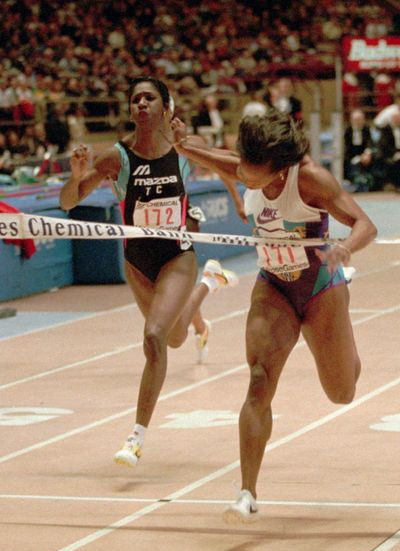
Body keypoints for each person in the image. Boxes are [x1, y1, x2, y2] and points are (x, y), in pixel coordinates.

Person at [171, 108, 377, 523]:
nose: (241, 174)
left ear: (280, 171)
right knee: (259, 378)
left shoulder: (311, 179)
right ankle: (247, 490)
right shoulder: (250, 164)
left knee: (342, 392)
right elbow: (212, 157)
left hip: (321, 289)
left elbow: (364, 224)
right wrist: (181, 143)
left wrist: (345, 249)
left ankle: (346, 319)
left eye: (251, 170)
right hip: (274, 286)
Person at [60, 77, 239, 467]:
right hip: (137, 262)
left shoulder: (185, 149)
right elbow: (69, 202)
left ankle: (136, 437)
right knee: (173, 339)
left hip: (178, 255)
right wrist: (76, 177)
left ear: (165, 107)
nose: (141, 103)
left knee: (155, 336)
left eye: (149, 97)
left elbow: (231, 168)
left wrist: (240, 204)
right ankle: (209, 284)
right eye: (135, 99)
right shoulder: (117, 157)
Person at [343, 109, 377, 192]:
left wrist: (367, 154)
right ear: (351, 120)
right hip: (351, 155)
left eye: (360, 120)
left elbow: (370, 143)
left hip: (364, 154)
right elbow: (347, 147)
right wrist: (358, 157)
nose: (358, 122)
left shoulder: (366, 129)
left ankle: (370, 184)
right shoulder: (348, 131)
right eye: (356, 120)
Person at [376, 107, 400, 192]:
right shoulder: (386, 130)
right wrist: (395, 154)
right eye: (395, 119)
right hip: (390, 154)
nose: (397, 120)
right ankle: (393, 184)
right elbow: (384, 146)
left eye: (398, 119)